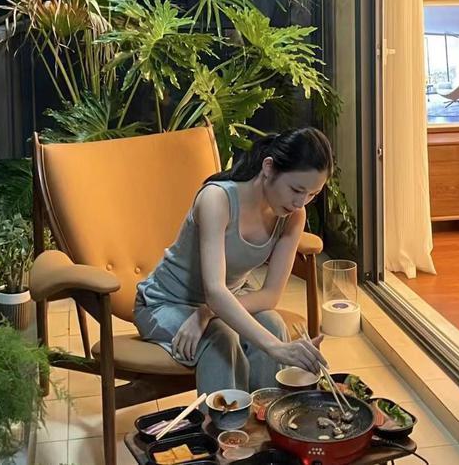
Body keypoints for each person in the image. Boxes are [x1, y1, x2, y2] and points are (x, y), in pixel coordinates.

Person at [133, 127, 332, 396]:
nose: (300, 202)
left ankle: (268, 415)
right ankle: (225, 423)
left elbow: (270, 296)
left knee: (273, 325)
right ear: (269, 168)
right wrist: (275, 348)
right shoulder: (217, 199)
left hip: (223, 303)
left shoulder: (293, 217)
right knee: (221, 338)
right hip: (166, 302)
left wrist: (206, 313)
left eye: (312, 194)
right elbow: (215, 292)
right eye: (296, 189)